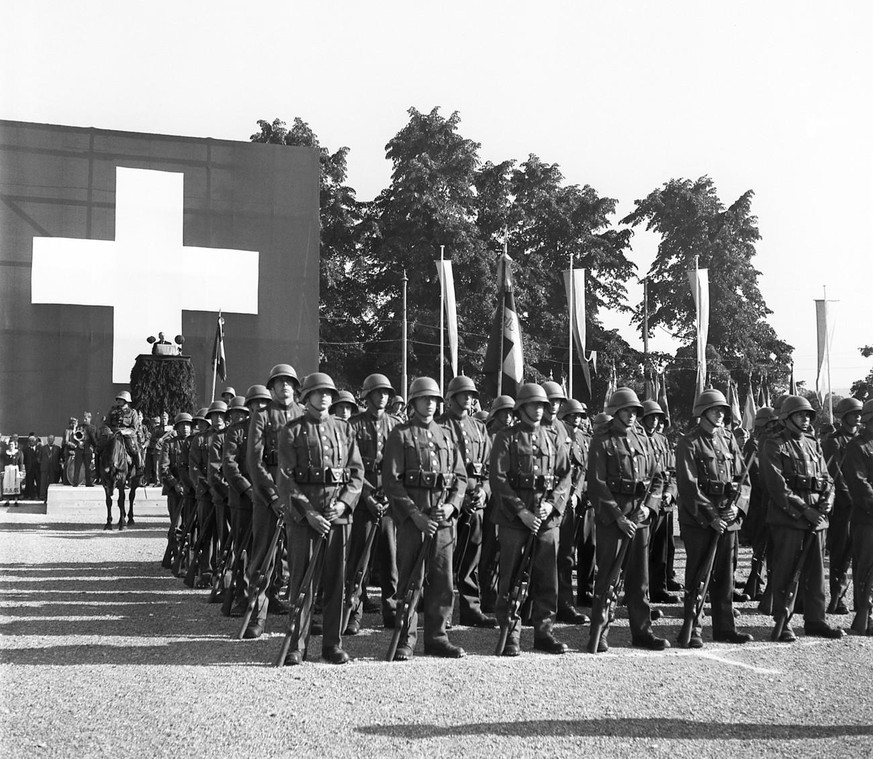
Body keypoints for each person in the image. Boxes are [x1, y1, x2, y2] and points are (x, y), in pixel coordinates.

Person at [275, 372, 363, 665]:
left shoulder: (344, 429)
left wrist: (344, 504)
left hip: (337, 519)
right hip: (304, 521)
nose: (324, 397)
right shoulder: (292, 431)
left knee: (336, 582)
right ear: (307, 396)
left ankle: (332, 644)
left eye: (328, 392)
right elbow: (286, 479)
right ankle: (297, 646)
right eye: (318, 392)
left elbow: (356, 474)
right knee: (302, 583)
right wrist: (308, 512)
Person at [383, 376, 468, 660]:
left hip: (443, 521)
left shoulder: (447, 435)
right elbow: (392, 482)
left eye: (434, 400)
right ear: (413, 402)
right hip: (413, 522)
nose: (429, 404)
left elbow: (460, 477)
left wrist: (453, 506)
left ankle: (437, 637)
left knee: (443, 581)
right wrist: (413, 514)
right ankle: (406, 638)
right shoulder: (401, 434)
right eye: (424, 399)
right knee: (410, 581)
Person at [490, 383, 572, 656]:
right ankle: (510, 633)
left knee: (547, 578)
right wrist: (521, 512)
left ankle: (544, 633)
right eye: (534, 405)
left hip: (546, 520)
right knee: (511, 578)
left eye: (542, 406)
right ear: (522, 408)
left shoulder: (552, 436)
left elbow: (565, 475)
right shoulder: (506, 437)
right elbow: (499, 479)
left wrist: (552, 504)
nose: (539, 410)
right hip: (515, 520)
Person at [587, 388, 667, 653]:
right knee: (608, 578)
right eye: (626, 411)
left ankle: (642, 632)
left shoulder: (644, 440)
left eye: (634, 412)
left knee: (639, 580)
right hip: (614, 520)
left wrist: (650, 508)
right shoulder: (602, 440)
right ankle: (601, 631)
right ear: (615, 412)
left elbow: (657, 478)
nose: (632, 416)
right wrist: (618, 517)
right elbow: (597, 484)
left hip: (639, 517)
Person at [760, 395, 844, 641]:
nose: (805, 419)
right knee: (786, 571)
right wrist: (804, 510)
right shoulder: (774, 444)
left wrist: (828, 500)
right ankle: (783, 621)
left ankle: (816, 620)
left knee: (817, 573)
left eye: (808, 415)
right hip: (789, 518)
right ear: (787, 418)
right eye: (800, 415)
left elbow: (827, 478)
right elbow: (776, 485)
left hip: (817, 519)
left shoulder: (813, 443)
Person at [675, 390, 754, 648]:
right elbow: (688, 486)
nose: (720, 414)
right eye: (715, 410)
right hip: (700, 519)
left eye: (722, 411)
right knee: (698, 575)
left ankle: (725, 628)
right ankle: (693, 628)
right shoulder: (689, 442)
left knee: (725, 576)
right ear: (702, 412)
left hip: (728, 516)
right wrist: (711, 516)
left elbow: (745, 481)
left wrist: (737, 510)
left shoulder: (729, 440)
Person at [243, 364, 303, 639]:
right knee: (263, 557)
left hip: (299, 498)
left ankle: (299, 614)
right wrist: (274, 496)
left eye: (289, 382)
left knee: (298, 558)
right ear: (272, 388)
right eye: (279, 383)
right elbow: (255, 462)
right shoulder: (262, 416)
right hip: (267, 497)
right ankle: (258, 613)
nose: (285, 387)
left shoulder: (305, 414)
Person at [346, 374, 402, 633]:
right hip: (361, 499)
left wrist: (389, 496)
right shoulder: (353, 425)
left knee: (390, 561)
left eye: (386, 393)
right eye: (377, 393)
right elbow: (348, 465)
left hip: (389, 501)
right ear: (367, 396)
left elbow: (401, 466)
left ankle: (391, 612)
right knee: (359, 561)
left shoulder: (396, 425)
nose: (383, 397)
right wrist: (367, 495)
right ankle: (352, 612)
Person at [439, 375, 496, 628]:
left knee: (472, 557)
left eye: (472, 395)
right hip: (450, 499)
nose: (469, 399)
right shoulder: (440, 425)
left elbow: (489, 466)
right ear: (451, 398)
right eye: (464, 394)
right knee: (445, 559)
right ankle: (443, 613)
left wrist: (484, 490)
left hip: (476, 500)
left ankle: (472, 609)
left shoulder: (480, 428)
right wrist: (457, 499)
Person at [540, 382, 587, 625]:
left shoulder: (562, 429)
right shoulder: (528, 428)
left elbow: (571, 470)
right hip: (535, 503)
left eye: (558, 402)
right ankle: (533, 606)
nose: (554, 406)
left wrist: (572, 494)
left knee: (565, 555)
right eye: (550, 402)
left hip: (562, 503)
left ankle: (564, 604)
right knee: (535, 559)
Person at [222, 388, 266, 616]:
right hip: (243, 499)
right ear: (249, 407)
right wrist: (249, 490)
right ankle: (241, 595)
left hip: (269, 499)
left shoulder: (273, 429)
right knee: (243, 551)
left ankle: (271, 596)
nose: (260, 408)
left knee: (273, 550)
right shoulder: (236, 431)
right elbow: (229, 465)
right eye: (255, 404)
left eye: (263, 403)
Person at [822, 397, 862, 614]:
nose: (857, 417)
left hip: (863, 504)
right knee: (842, 552)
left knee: (862, 553)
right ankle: (837, 598)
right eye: (853, 413)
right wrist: (850, 498)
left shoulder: (863, 439)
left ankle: (862, 600)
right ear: (844, 416)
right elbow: (835, 474)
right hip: (844, 505)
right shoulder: (834, 441)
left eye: (859, 413)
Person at [641, 400, 680, 604]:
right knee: (641, 550)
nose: (655, 421)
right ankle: (641, 592)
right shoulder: (638, 439)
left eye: (657, 417)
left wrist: (670, 492)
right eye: (651, 417)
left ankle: (658, 588)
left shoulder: (662, 441)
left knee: (661, 549)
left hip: (663, 502)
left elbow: (671, 472)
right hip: (645, 502)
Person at [558, 399, 596, 609]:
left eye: (579, 416)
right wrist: (568, 495)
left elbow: (584, 469)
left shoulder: (584, 439)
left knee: (588, 546)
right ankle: (563, 599)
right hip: (562, 500)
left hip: (581, 499)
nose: (576, 420)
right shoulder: (557, 437)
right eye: (572, 416)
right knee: (565, 552)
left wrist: (578, 494)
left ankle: (585, 592)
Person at [842, 399, 873, 635]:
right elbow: (859, 484)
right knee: (866, 567)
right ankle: (866, 614)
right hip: (867, 516)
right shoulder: (858, 447)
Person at [159, 413, 193, 570]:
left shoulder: (194, 442)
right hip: (175, 491)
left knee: (191, 524)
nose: (185, 428)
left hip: (192, 490)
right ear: (177, 427)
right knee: (176, 525)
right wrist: (175, 484)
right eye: (182, 425)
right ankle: (175, 554)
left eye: (188, 425)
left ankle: (188, 557)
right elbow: (164, 468)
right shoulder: (169, 444)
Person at [188, 407, 214, 588]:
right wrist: (204, 484)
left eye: (204, 422)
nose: (201, 425)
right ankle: (205, 570)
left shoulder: (224, 436)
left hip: (225, 492)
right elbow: (193, 466)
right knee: (205, 532)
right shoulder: (198, 440)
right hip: (205, 492)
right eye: (200, 423)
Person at [100, 391, 143, 479]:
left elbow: (134, 427)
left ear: (126, 401)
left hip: (127, 434)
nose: (119, 401)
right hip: (113, 433)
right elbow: (106, 423)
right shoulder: (112, 410)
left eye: (121, 399)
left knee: (134, 449)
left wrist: (125, 431)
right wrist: (108, 431)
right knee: (99, 448)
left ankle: (139, 469)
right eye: (118, 399)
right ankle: (97, 472)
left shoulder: (132, 412)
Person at [38, 434, 62, 500]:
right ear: (47, 440)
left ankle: (52, 496)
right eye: (49, 439)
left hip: (54, 468)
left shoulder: (58, 448)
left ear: (54, 440)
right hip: (44, 467)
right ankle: (42, 496)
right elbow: (39, 458)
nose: (50, 440)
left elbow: (60, 458)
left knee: (52, 483)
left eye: (51, 439)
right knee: (43, 482)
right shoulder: (42, 448)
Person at [1, 437, 25, 504]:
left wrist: (20, 471)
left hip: (15, 470)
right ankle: (7, 501)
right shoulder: (5, 453)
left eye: (12, 445)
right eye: (10, 445)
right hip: (7, 470)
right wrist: (2, 471)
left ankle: (16, 500)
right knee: (7, 485)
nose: (11, 446)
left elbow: (21, 462)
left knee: (15, 484)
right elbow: (2, 462)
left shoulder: (19, 453)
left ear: (15, 445)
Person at [22, 435, 40, 499]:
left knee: (39, 482)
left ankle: (39, 495)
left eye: (33, 441)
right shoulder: (26, 450)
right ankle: (32, 496)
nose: (31, 442)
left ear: (35, 441)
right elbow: (24, 460)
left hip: (38, 469)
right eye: (30, 441)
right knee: (30, 483)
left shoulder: (39, 449)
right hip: (29, 469)